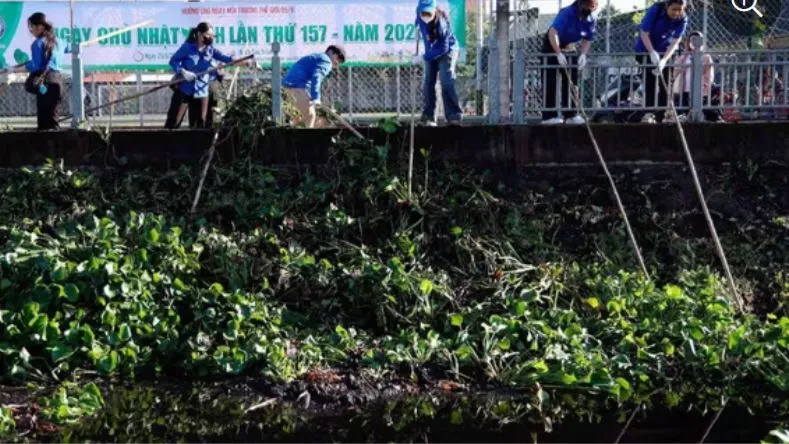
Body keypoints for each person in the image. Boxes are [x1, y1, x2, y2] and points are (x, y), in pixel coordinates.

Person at [165, 22, 250, 129]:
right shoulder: (187, 48)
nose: (210, 38)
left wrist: (247, 62)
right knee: (174, 121)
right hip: (185, 89)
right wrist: (183, 72)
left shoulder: (211, 50)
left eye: (212, 36)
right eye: (208, 35)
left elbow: (228, 60)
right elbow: (173, 61)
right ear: (199, 34)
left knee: (199, 124)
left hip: (201, 91)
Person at [0, 13, 65, 130]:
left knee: (44, 122)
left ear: (39, 27)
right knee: (53, 119)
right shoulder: (60, 41)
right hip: (58, 81)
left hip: (45, 81)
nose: (31, 31)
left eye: (32, 28)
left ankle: (47, 146)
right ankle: (56, 145)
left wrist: (13, 70)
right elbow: (67, 48)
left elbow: (35, 66)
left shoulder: (38, 43)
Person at [541, 0, 598, 125]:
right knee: (549, 79)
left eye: (592, 7)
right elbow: (553, 33)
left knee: (572, 80)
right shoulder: (567, 13)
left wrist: (583, 54)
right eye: (587, 5)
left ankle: (571, 114)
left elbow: (588, 38)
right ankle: (548, 116)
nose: (589, 9)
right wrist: (558, 53)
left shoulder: (591, 18)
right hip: (552, 44)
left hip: (569, 45)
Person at [635, 0, 688, 123]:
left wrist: (664, 60)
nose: (676, 13)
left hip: (666, 51)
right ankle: (648, 113)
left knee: (666, 83)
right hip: (645, 49)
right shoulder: (655, 10)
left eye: (679, 10)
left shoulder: (683, 18)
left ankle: (664, 114)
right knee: (650, 81)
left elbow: (675, 41)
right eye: (674, 9)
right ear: (667, 6)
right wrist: (652, 52)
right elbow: (644, 33)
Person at [413, 0, 463, 126]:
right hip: (431, 51)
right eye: (423, 13)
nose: (426, 16)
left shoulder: (441, 23)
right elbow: (420, 27)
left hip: (448, 51)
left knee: (446, 81)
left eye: (428, 13)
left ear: (434, 10)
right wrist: (417, 29)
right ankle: (429, 116)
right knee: (428, 82)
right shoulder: (419, 16)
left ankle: (453, 116)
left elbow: (443, 48)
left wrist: (424, 57)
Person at [282, 45, 346, 128]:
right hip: (297, 88)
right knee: (310, 115)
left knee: (300, 117)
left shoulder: (318, 57)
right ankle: (307, 140)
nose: (337, 64)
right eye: (339, 60)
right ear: (335, 55)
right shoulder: (327, 61)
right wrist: (316, 97)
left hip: (287, 87)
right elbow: (316, 77)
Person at [671, 31, 721, 122]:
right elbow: (675, 73)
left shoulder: (706, 57)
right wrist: (682, 66)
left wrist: (704, 86)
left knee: (699, 112)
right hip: (685, 89)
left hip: (699, 90)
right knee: (684, 112)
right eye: (692, 40)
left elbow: (709, 75)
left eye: (697, 40)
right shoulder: (683, 57)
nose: (694, 43)